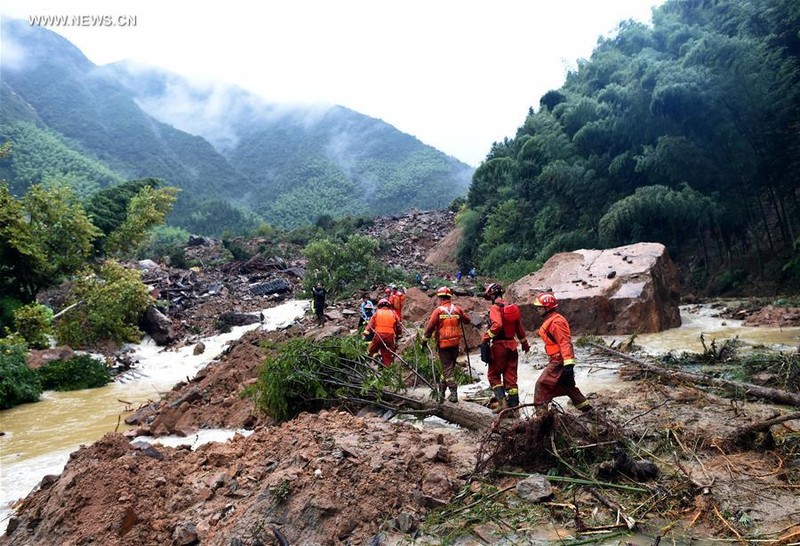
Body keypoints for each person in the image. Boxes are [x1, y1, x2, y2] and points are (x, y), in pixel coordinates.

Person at [532, 292, 592, 412]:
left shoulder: (556, 322)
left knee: (542, 385)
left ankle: (541, 418)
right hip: (557, 359)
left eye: (540, 307)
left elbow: (565, 342)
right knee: (567, 387)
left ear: (547, 307)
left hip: (559, 360)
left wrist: (568, 364)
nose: (538, 310)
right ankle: (588, 411)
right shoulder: (551, 320)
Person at [482, 282, 530, 413]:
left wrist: (486, 337)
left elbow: (497, 325)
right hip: (512, 346)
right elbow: (519, 329)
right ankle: (514, 409)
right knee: (511, 379)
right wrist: (525, 344)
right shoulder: (511, 308)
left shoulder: (495, 308)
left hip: (499, 347)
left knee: (493, 375)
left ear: (491, 295)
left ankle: (502, 404)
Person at [422, 286, 472, 403]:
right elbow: (468, 320)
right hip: (455, 343)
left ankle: (453, 393)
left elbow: (429, 327)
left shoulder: (438, 311)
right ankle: (441, 392)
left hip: (443, 344)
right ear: (449, 297)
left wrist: (424, 340)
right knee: (448, 369)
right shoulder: (457, 309)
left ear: (440, 298)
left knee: (447, 369)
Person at [363, 298, 402, 367]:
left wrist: (365, 333)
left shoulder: (377, 313)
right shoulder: (393, 313)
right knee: (387, 356)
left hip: (378, 336)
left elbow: (370, 325)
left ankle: (376, 359)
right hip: (390, 337)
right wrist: (399, 335)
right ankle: (387, 369)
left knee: (371, 349)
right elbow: (398, 325)